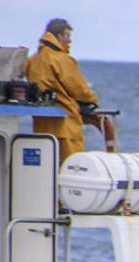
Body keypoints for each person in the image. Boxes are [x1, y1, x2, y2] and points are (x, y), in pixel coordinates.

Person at [23, 18, 98, 161]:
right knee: (71, 168)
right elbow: (80, 90)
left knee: (47, 169)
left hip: (42, 126)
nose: (70, 41)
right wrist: (93, 99)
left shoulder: (32, 61)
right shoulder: (62, 60)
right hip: (66, 125)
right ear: (58, 36)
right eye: (67, 36)